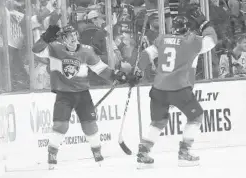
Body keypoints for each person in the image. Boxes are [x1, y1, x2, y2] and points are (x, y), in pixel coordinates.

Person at [129, 8, 218, 167]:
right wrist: (205, 23)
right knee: (196, 117)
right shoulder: (191, 41)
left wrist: (137, 71)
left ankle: (143, 153)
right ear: (187, 29)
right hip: (179, 89)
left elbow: (146, 55)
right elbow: (212, 40)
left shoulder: (162, 39)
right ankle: (184, 152)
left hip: (158, 89)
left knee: (158, 121)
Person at [32, 24, 129, 169]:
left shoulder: (86, 51)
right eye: (68, 37)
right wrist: (45, 37)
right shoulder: (54, 48)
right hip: (63, 94)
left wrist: (115, 75)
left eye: (74, 36)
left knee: (90, 126)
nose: (73, 39)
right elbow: (36, 50)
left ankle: (97, 153)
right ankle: (52, 153)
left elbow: (100, 69)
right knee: (60, 125)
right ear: (63, 39)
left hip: (82, 94)